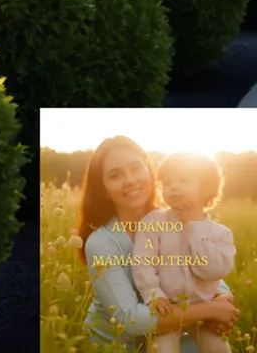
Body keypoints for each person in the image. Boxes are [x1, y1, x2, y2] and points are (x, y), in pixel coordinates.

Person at [76, 136, 239, 350]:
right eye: (115, 175)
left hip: (173, 328)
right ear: (104, 189)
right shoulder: (102, 242)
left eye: (136, 168)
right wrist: (210, 310)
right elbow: (128, 319)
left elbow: (200, 267)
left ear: (149, 171)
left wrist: (223, 297)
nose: (130, 180)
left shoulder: (176, 217)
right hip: (119, 344)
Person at [131, 151, 235, 353]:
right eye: (168, 183)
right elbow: (143, 262)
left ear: (207, 189)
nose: (174, 187)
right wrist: (154, 295)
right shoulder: (153, 223)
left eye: (183, 180)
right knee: (162, 349)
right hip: (169, 309)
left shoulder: (220, 234)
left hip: (206, 313)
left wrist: (195, 226)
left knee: (219, 348)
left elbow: (213, 271)